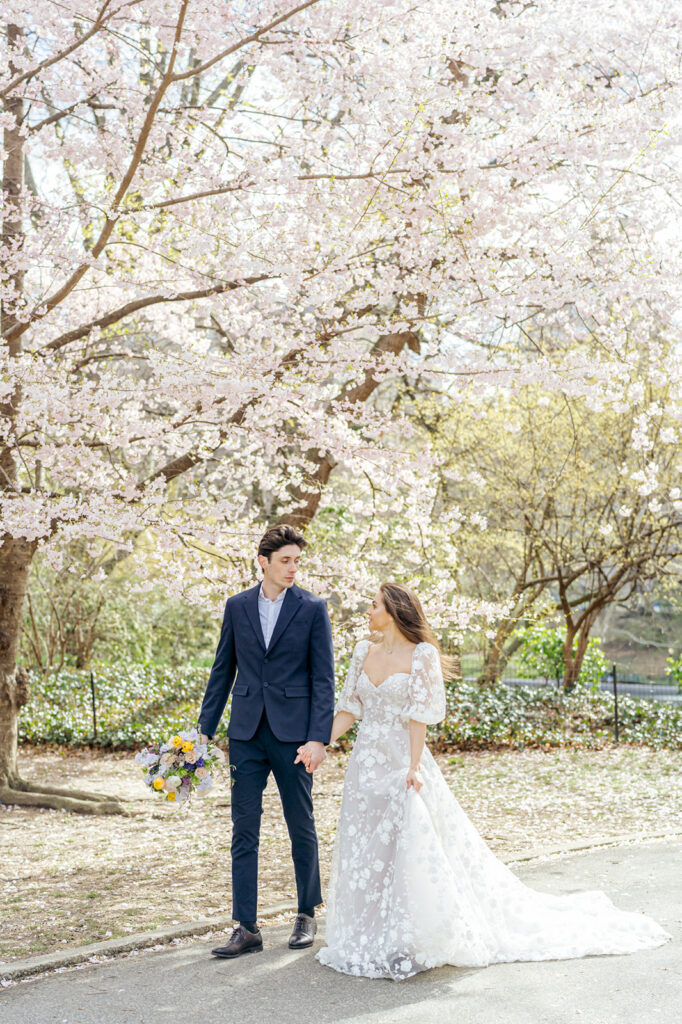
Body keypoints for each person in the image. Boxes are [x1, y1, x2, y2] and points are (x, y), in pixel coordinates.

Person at [311, 581, 670, 980]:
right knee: (367, 848)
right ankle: (369, 930)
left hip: (401, 763)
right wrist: (319, 743)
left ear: (394, 611)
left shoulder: (422, 655)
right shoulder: (364, 651)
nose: (368, 611)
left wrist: (413, 766)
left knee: (408, 845)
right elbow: (350, 707)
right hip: (365, 766)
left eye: (374, 604)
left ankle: (408, 935)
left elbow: (418, 716)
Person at [198, 524, 334, 959]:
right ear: (263, 562)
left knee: (300, 825)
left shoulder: (313, 609)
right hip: (246, 735)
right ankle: (246, 927)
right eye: (285, 561)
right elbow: (223, 671)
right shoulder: (236, 607)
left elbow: (323, 680)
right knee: (244, 831)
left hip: (295, 737)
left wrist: (318, 739)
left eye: (297, 561)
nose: (293, 568)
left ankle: (306, 913)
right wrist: (204, 729)